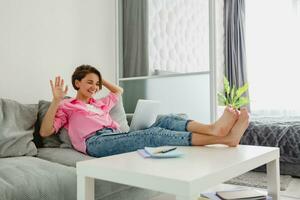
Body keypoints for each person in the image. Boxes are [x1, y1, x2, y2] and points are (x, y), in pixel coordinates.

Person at [40, 65, 249, 157]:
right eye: (89, 82)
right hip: (94, 143)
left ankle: (213, 128)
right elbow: (45, 132)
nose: (94, 87)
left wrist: (100, 78)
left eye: (97, 84)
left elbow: (119, 91)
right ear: (76, 83)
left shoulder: (99, 103)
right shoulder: (66, 106)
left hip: (116, 136)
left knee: (166, 120)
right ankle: (223, 139)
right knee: (152, 135)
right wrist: (56, 100)